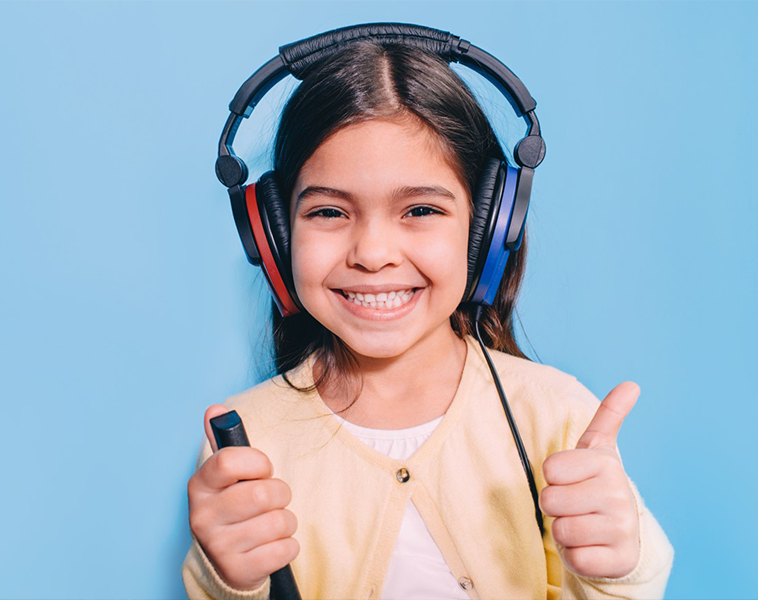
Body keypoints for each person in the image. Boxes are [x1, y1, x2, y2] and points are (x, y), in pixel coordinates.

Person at [183, 34, 674, 600]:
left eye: (420, 209)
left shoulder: (558, 418)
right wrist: (231, 582)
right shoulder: (246, 443)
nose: (372, 253)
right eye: (328, 211)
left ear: (489, 230)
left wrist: (617, 568)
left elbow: (623, 579)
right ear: (274, 236)